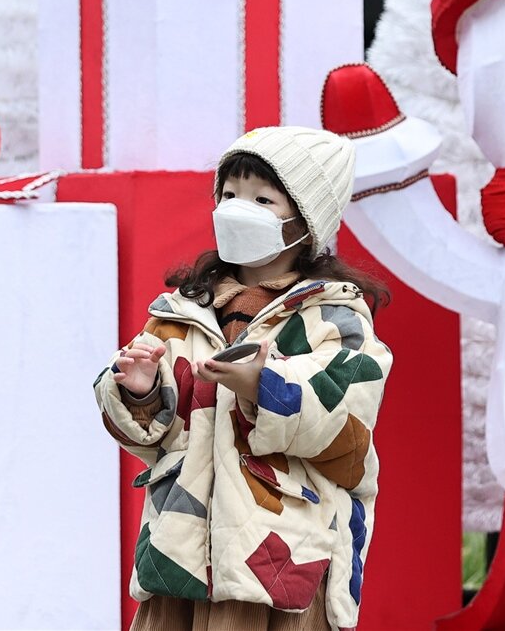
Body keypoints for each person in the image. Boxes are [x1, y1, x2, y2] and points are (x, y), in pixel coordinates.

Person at [98, 127, 393, 631]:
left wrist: (264, 385)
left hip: (278, 562)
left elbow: (345, 421)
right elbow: (150, 434)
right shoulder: (182, 310)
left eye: (262, 198)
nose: (238, 208)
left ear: (304, 219)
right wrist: (140, 389)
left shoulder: (334, 316)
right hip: (180, 558)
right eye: (229, 194)